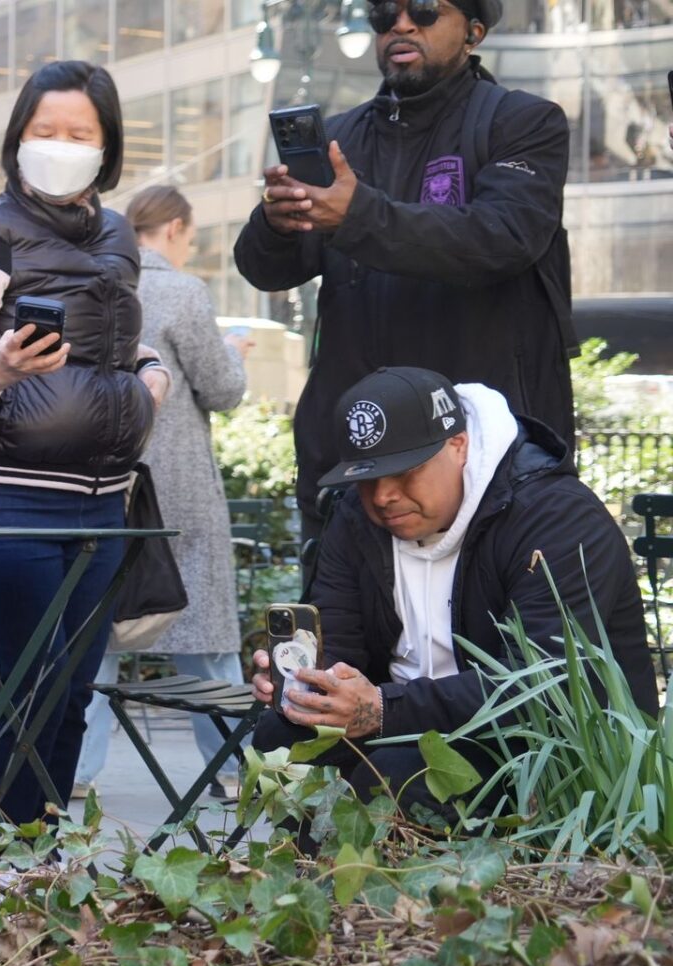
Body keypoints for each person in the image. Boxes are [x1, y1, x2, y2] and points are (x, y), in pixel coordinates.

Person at [0, 60, 170, 826]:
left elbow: (119, 344)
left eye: (78, 133)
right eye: (43, 130)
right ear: (17, 138)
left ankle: (46, 865)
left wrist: (148, 380)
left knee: (74, 691)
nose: (59, 145)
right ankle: (2, 866)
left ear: (107, 146)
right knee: (31, 688)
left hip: (104, 499)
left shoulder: (119, 236)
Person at [233, 0, 574, 541]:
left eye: (424, 10)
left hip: (476, 457)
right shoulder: (339, 140)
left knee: (485, 625)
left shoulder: (524, 122)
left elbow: (504, 237)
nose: (401, 24)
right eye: (383, 13)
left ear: (474, 31)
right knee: (344, 623)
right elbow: (266, 270)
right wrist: (277, 222)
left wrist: (357, 215)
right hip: (353, 459)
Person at [249, 367, 655, 809]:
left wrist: (384, 709)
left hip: (541, 745)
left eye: (405, 472)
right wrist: (305, 680)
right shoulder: (356, 517)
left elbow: (542, 686)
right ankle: (311, 873)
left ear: (457, 445)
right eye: (366, 477)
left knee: (397, 776)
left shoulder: (555, 517)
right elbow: (342, 642)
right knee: (278, 740)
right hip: (402, 722)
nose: (383, 495)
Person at [76, 185, 252, 796]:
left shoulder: (96, 283)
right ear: (175, 228)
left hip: (101, 478)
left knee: (94, 629)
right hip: (176, 488)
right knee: (203, 629)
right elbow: (223, 389)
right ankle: (234, 767)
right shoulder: (183, 291)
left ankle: (74, 769)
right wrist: (232, 351)